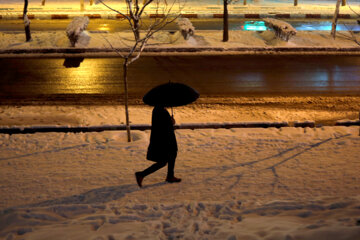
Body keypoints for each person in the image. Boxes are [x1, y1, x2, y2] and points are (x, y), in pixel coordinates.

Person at [135, 105, 181, 188]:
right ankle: (141, 174)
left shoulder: (158, 109)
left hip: (165, 138)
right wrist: (171, 122)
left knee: (171, 156)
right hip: (165, 139)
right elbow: (163, 125)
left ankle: (170, 176)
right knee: (165, 160)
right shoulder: (160, 111)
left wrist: (170, 121)